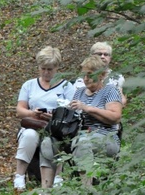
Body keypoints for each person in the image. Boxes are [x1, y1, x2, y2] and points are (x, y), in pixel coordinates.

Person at [39, 55, 123, 187]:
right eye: (84, 75)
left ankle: (86, 191)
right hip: (77, 135)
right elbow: (73, 117)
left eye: (89, 75)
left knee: (82, 142)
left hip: (106, 137)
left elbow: (115, 117)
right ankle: (46, 191)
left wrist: (87, 108)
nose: (85, 79)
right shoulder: (79, 93)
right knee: (48, 142)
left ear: (101, 75)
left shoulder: (110, 91)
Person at [13, 47, 75, 191]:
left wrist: (55, 115)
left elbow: (72, 112)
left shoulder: (66, 87)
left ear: (57, 68)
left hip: (57, 126)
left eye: (50, 69)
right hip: (33, 124)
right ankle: (19, 176)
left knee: (58, 138)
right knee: (29, 135)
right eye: (43, 69)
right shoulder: (29, 85)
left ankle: (58, 176)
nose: (46, 73)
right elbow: (20, 110)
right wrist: (32, 113)